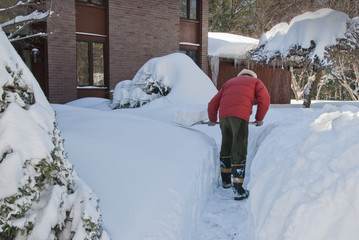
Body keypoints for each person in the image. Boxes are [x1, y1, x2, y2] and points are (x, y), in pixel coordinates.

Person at [207, 69, 270, 200]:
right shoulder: (256, 82)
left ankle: (226, 181)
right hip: (240, 116)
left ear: (240, 76)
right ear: (252, 76)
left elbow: (212, 103)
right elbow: (265, 99)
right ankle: (238, 189)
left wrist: (212, 119)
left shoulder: (229, 83)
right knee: (239, 148)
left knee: (226, 145)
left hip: (224, 117)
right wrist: (259, 118)